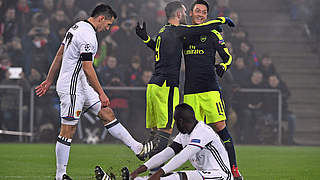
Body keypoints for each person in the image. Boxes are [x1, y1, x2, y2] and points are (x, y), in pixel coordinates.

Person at [35, 4, 154, 180]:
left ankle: (137, 148)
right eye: (107, 25)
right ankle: (60, 175)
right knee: (67, 130)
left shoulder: (76, 27)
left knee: (107, 113)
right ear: (101, 18)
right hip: (72, 87)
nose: (107, 29)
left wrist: (49, 79)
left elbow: (60, 54)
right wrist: (101, 92)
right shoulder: (88, 36)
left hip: (81, 85)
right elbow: (88, 67)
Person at [137, 0, 241, 178]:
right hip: (191, 92)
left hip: (210, 90)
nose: (201, 14)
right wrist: (147, 39)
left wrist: (224, 65)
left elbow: (228, 57)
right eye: (197, 11)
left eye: (204, 12)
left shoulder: (214, 34)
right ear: (190, 14)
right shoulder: (184, 33)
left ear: (207, 15)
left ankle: (234, 170)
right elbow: (164, 48)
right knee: (191, 134)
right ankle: (201, 170)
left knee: (221, 128)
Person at [95, 103, 233, 180]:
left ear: (179, 121)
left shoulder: (202, 131)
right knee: (172, 177)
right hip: (206, 175)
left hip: (221, 176)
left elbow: (183, 156)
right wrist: (142, 168)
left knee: (178, 177)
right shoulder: (185, 133)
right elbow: (167, 153)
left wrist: (159, 173)